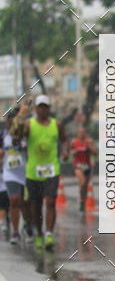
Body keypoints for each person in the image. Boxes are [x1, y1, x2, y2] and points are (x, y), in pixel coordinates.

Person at [18, 95, 68, 250]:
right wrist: (20, 118)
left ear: (49, 108)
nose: (42, 109)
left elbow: (64, 140)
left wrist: (65, 151)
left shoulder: (56, 125)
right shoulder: (29, 124)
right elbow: (19, 137)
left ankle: (49, 235)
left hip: (52, 169)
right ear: (36, 109)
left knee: (51, 201)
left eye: (45, 107)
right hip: (33, 171)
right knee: (36, 205)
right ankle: (39, 233)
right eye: (40, 106)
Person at [0, 107, 32, 244]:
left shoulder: (25, 134)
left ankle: (27, 226)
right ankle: (15, 232)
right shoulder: (3, 136)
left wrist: (24, 147)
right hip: (10, 173)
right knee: (14, 199)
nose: (11, 124)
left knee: (25, 203)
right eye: (9, 122)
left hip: (26, 172)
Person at [68, 126, 96, 212]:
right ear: (77, 134)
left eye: (83, 132)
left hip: (87, 165)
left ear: (85, 133)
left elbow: (95, 153)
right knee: (82, 182)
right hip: (78, 165)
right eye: (80, 132)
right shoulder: (74, 142)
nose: (81, 134)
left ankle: (82, 202)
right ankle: (81, 200)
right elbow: (69, 152)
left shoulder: (89, 141)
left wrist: (90, 147)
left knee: (85, 186)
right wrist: (72, 152)